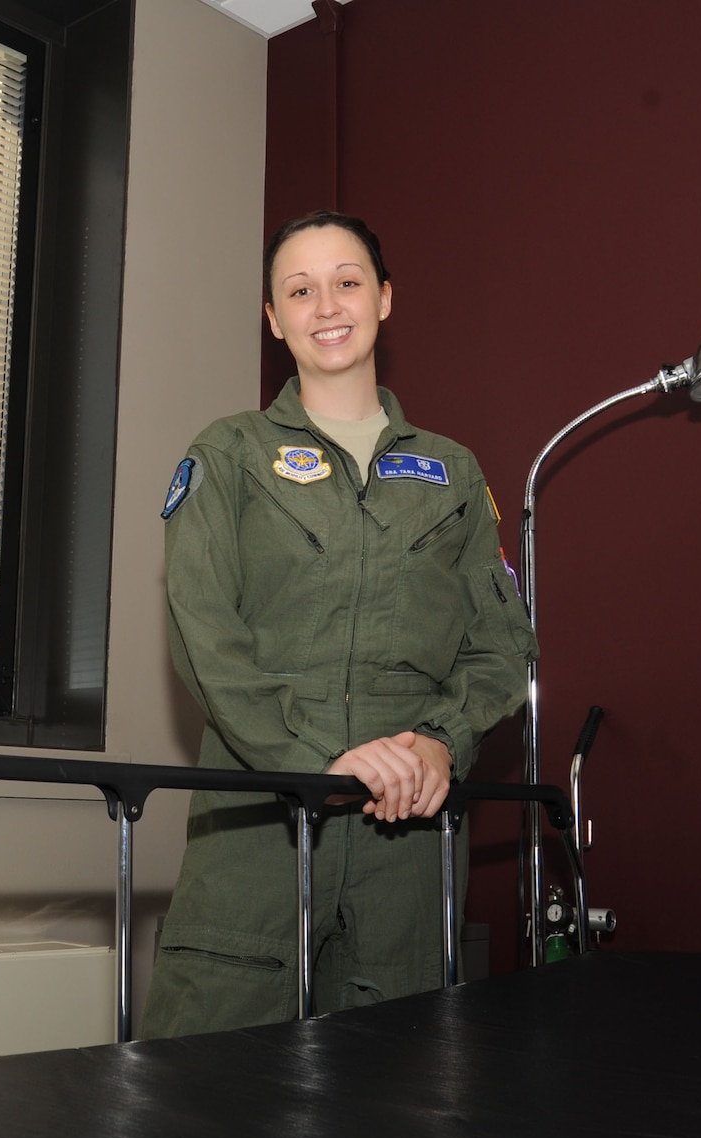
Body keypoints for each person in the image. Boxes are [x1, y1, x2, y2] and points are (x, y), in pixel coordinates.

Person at [143, 211, 537, 1037]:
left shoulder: (452, 472)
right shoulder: (229, 456)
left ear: (386, 299)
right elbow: (203, 635)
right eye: (299, 289)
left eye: (348, 282)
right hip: (260, 825)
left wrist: (440, 741)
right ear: (274, 318)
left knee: (403, 1111)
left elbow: (501, 643)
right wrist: (315, 762)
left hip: (410, 833)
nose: (327, 305)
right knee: (210, 1102)